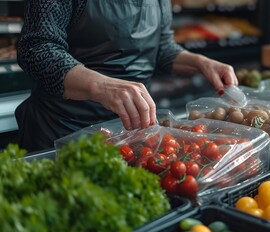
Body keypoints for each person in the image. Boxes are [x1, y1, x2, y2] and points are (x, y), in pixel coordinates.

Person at [15, 0, 238, 153]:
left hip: (129, 132)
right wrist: (101, 86)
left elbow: (162, 48)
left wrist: (201, 63)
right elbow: (36, 48)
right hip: (63, 129)